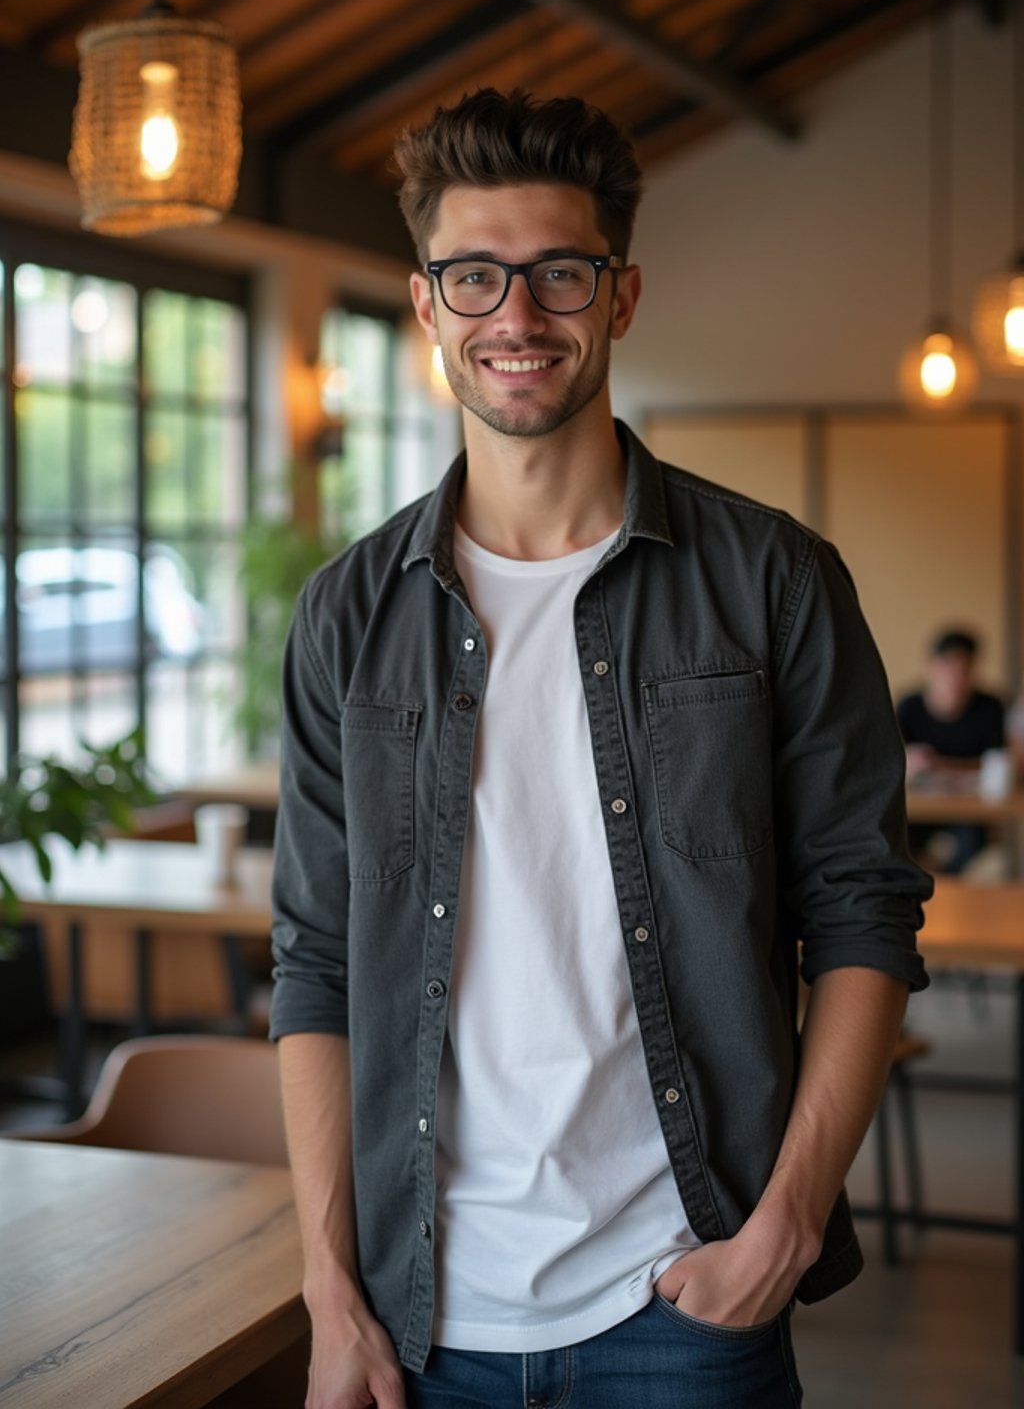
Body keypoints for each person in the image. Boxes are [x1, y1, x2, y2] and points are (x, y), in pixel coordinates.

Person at [269, 88, 932, 1409]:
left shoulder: (773, 583)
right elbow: (319, 958)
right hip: (423, 1323)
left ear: (619, 298)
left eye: (557, 275)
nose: (515, 316)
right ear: (426, 307)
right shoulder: (347, 614)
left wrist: (786, 1228)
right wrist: (330, 1289)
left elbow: (862, 912)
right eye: (474, 277)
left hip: (687, 1305)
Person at [896, 627, 1006, 872]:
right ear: (933, 666)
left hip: (970, 809)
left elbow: (996, 764)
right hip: (920, 805)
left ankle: (941, 882)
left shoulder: (990, 707)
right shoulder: (909, 706)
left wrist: (940, 765)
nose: (956, 677)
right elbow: (893, 759)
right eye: (949, 667)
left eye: (964, 670)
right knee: (897, 833)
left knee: (973, 839)